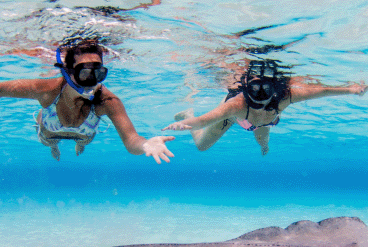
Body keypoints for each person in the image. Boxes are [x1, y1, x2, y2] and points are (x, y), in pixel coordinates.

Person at [0, 39, 174, 163]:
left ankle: (79, 145)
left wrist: (145, 144)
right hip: (50, 131)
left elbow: (131, 140)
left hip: (84, 134)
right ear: (67, 73)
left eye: (98, 73)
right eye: (84, 73)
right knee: (49, 142)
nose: (92, 81)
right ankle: (54, 148)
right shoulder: (47, 90)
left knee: (83, 141)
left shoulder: (108, 101)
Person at [163, 60, 367, 155]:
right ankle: (186, 110)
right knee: (202, 146)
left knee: (263, 141)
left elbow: (321, 91)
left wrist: (351, 90)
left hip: (263, 123)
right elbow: (204, 120)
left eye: (265, 90)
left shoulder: (286, 96)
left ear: (274, 89)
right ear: (246, 88)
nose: (259, 97)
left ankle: (263, 146)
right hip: (239, 117)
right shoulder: (236, 105)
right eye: (255, 90)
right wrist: (183, 123)